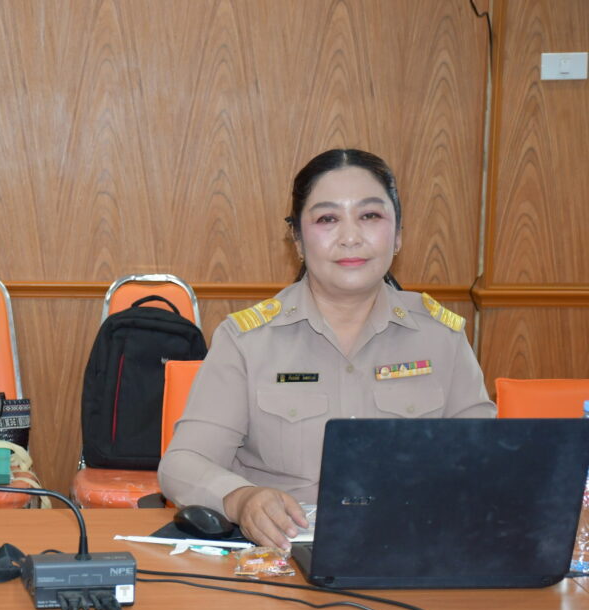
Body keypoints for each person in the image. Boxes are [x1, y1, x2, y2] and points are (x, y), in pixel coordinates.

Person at [158, 149, 495, 549]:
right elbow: (182, 463)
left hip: (411, 547)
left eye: (370, 216)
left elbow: (488, 462)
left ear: (398, 234)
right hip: (282, 556)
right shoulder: (247, 340)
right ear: (298, 241)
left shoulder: (442, 338)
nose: (351, 237)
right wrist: (241, 499)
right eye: (327, 219)